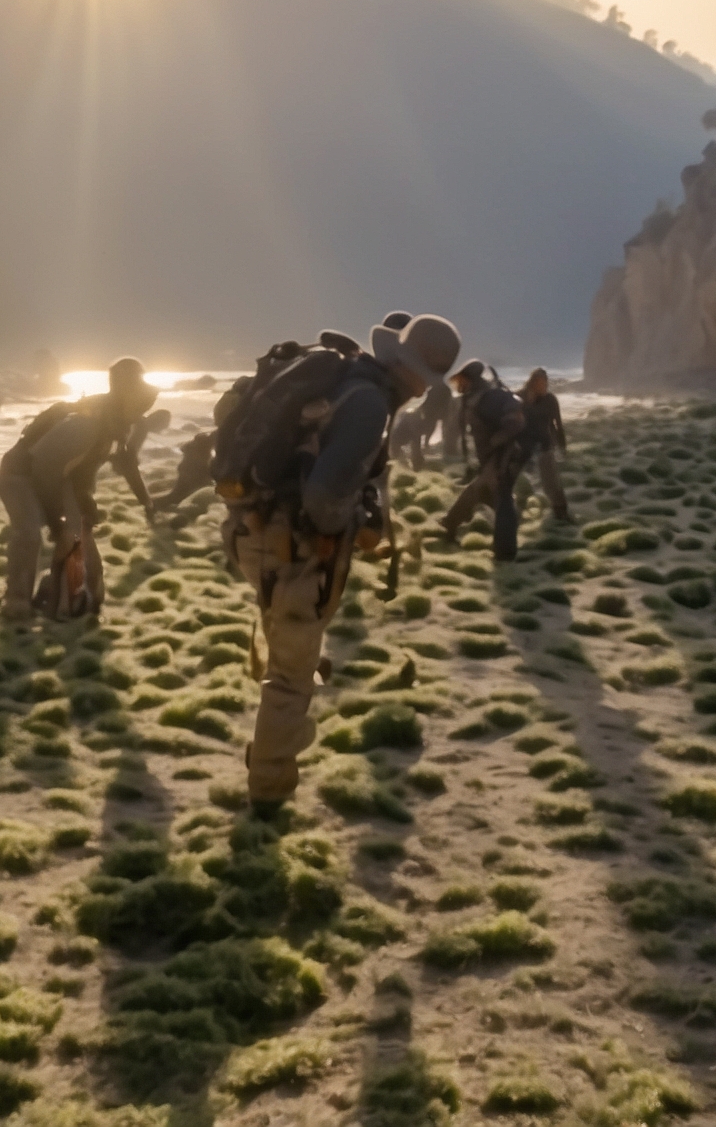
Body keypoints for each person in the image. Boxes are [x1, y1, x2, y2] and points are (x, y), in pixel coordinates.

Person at [223, 314, 461, 814]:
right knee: (290, 675)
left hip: (255, 533)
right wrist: (353, 526)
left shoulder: (349, 379)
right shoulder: (370, 404)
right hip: (294, 552)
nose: (422, 392)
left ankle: (281, 741)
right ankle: (268, 798)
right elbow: (324, 494)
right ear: (415, 374)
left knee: (289, 659)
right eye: (426, 380)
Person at [0, 358, 161, 621]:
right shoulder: (85, 424)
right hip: (19, 476)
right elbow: (44, 470)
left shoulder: (119, 424)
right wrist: (55, 521)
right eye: (138, 403)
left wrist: (147, 503)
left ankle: (68, 596)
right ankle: (16, 603)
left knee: (79, 537)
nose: (141, 411)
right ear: (124, 395)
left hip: (64, 480)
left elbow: (127, 464)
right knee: (29, 533)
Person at [439, 360, 528, 562]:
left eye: (462, 380)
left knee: (502, 502)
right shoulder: (477, 398)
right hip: (489, 461)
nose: (459, 385)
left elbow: (515, 419)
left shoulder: (491, 398)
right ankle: (449, 527)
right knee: (477, 493)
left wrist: (497, 440)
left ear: (471, 380)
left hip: (500, 460)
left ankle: (504, 554)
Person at [521, 367, 572, 523]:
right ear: (532, 383)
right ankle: (516, 513)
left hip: (545, 445)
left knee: (551, 482)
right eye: (540, 383)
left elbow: (558, 425)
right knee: (517, 482)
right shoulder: (520, 397)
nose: (544, 386)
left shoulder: (550, 400)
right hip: (524, 446)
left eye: (546, 383)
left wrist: (562, 447)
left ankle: (561, 513)